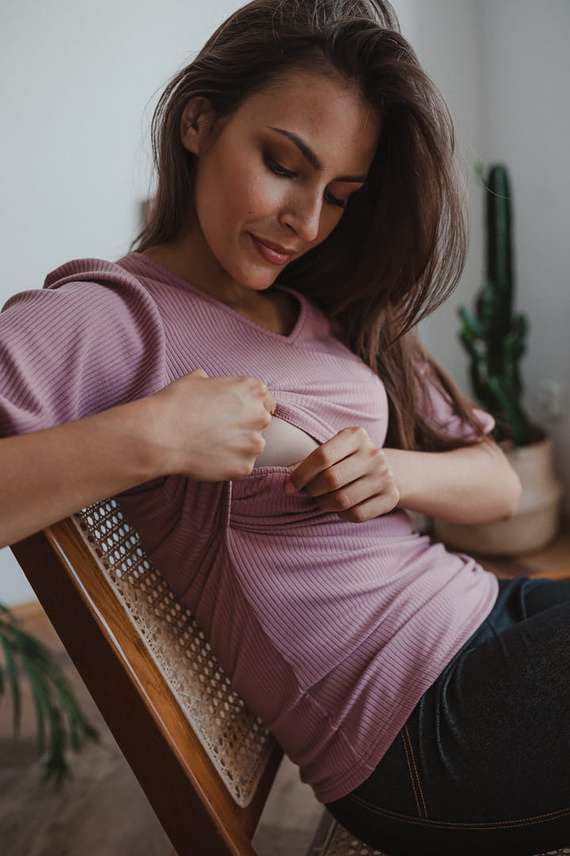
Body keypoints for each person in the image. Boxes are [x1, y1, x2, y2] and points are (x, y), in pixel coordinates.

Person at [1, 1, 568, 854]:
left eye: (341, 195)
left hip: (487, 612)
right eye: (282, 164)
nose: (306, 222)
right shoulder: (118, 318)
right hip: (414, 727)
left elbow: (500, 481)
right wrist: (154, 436)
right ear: (199, 120)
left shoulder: (330, 307)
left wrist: (394, 472)